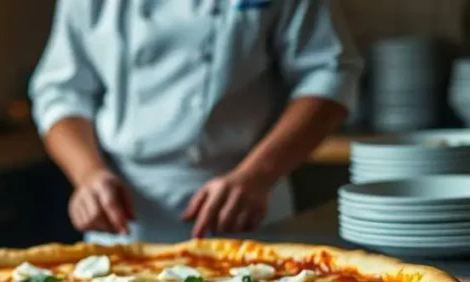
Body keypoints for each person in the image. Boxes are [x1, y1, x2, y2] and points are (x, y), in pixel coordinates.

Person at [30, 0, 362, 243]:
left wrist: (258, 175)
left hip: (247, 206)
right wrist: (87, 175)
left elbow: (329, 75)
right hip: (124, 217)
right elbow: (61, 93)